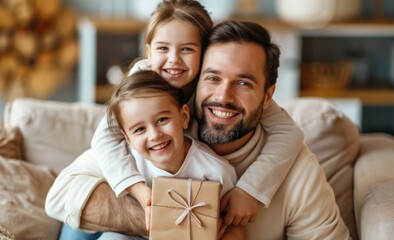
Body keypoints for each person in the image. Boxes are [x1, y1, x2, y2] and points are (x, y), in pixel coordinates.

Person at [88, 0, 304, 234]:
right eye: (163, 49)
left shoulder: (223, 90)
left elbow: (289, 132)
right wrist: (139, 190)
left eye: (187, 49)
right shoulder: (142, 82)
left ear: (205, 54)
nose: (173, 60)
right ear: (149, 51)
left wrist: (251, 189)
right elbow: (104, 138)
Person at [96, 70, 242, 239]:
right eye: (140, 129)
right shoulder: (126, 164)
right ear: (127, 138)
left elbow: (235, 227)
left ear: (184, 117)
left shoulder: (217, 172)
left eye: (162, 120)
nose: (155, 135)